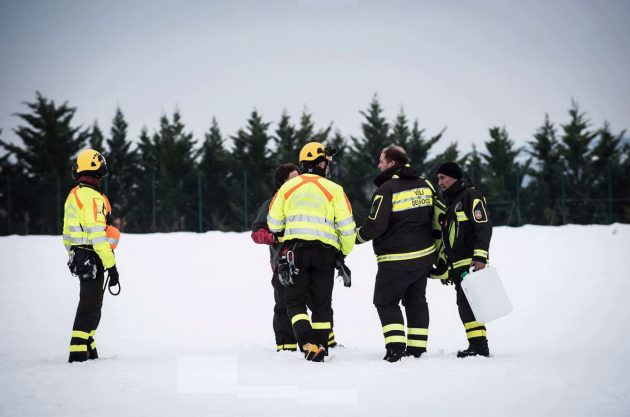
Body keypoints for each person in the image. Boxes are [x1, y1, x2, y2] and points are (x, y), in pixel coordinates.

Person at [267, 142, 355, 362]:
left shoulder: (288, 188)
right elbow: (347, 228)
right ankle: (321, 346)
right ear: (321, 163)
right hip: (326, 254)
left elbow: (273, 224)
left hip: (296, 252)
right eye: (327, 163)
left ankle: (308, 344)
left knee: (295, 302)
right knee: (322, 304)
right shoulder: (335, 189)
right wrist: (342, 253)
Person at [355, 145, 444, 362]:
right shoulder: (426, 185)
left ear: (392, 163)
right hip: (424, 256)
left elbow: (375, 226)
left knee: (385, 301)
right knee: (416, 300)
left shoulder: (386, 190)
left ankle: (395, 348)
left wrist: (354, 238)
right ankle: (417, 348)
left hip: (396, 259)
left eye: (381, 161)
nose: (378, 165)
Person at [63, 149, 120, 363]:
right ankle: (78, 354)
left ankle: (89, 348)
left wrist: (73, 254)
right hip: (91, 255)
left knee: (92, 303)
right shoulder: (93, 197)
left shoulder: (74, 194)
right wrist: (111, 266)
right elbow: (97, 235)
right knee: (90, 305)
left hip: (80, 255)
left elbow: (67, 234)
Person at [435, 161, 492, 358]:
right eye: (438, 178)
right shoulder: (451, 201)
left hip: (471, 264)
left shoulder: (470, 196)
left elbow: (483, 227)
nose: (440, 182)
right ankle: (477, 345)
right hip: (458, 266)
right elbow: (449, 239)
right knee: (466, 305)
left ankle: (479, 347)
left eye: (443, 178)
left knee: (469, 304)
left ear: (454, 177)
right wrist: (447, 269)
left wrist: (480, 257)